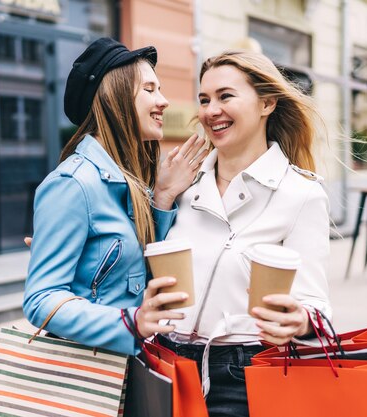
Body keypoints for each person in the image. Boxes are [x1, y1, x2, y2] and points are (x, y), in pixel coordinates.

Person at [135, 50, 333, 416]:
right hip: (165, 363)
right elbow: (140, 270)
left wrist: (300, 321)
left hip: (244, 374)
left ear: (267, 103)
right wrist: (160, 197)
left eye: (226, 96)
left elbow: (317, 307)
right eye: (204, 99)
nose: (210, 111)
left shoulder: (301, 194)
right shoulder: (181, 184)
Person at [23, 38, 207, 355]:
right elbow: (41, 299)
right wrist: (130, 322)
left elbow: (141, 273)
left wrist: (162, 196)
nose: (163, 101)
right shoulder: (73, 183)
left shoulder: (130, 181)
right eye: (149, 89)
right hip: (91, 374)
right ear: (114, 98)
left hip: (129, 365)